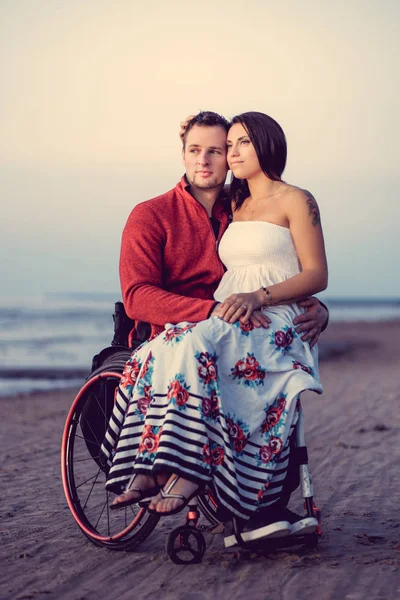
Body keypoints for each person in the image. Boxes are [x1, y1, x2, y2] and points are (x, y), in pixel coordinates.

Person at [101, 111, 328, 546]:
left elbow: (289, 265)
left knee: (206, 350)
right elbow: (137, 297)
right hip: (191, 323)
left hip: (244, 321)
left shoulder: (236, 205)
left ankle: (226, 488)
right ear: (182, 154)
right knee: (176, 346)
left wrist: (316, 306)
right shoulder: (152, 214)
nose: (207, 160)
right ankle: (155, 465)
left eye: (219, 149)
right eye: (194, 150)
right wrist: (211, 309)